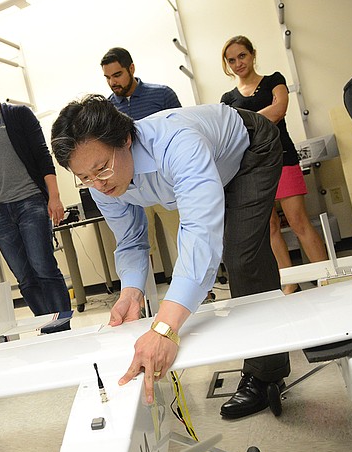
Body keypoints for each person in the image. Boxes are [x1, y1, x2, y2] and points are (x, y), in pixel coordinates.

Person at [51, 94, 288, 420]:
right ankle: (267, 352)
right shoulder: (99, 183)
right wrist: (131, 291)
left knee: (242, 256)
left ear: (126, 139)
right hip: (214, 166)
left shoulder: (177, 144)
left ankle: (267, 373)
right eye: (85, 178)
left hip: (249, 150)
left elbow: (200, 233)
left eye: (102, 169)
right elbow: (131, 240)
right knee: (233, 253)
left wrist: (166, 329)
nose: (98, 185)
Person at [0, 59, 71, 319]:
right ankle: (48, 326)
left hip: (30, 202)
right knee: (25, 278)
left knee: (43, 268)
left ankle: (63, 326)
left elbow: (43, 156)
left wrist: (54, 197)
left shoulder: (19, 115)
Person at [221, 36, 328, 294]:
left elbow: (279, 110)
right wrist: (253, 119)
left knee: (299, 221)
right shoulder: (227, 98)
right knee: (269, 228)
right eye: (231, 60)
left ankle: (325, 275)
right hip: (251, 169)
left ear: (253, 54)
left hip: (283, 159)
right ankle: (289, 282)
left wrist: (243, 120)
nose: (238, 63)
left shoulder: (274, 81)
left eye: (242, 56)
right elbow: (228, 132)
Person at [101, 47, 183, 284]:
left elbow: (180, 134)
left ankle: (202, 292)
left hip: (166, 182)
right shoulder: (106, 110)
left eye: (117, 75)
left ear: (132, 68)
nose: (112, 82)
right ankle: (144, 298)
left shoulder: (162, 95)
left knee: (184, 236)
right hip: (132, 187)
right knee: (138, 245)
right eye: (107, 78)